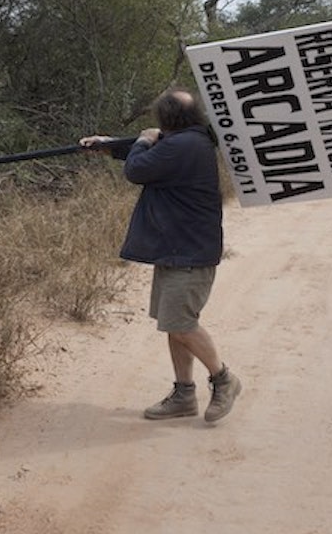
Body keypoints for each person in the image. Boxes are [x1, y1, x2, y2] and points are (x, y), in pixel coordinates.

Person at [80, 88, 242, 424]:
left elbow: (138, 169)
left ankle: (224, 379)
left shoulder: (185, 145)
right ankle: (184, 394)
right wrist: (109, 144)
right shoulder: (190, 141)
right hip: (177, 250)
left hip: (190, 252)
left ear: (166, 118)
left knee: (181, 324)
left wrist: (141, 140)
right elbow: (155, 151)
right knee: (174, 324)